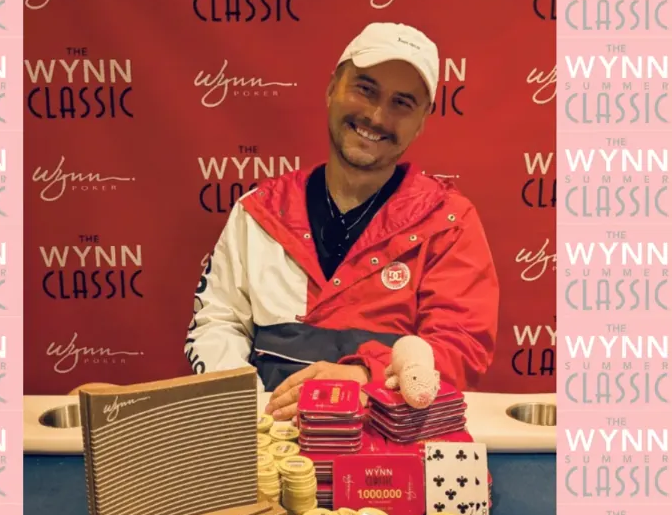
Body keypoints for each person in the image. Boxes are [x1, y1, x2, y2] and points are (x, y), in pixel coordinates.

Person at [184, 22, 499, 421]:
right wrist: (253, 415)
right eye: (365, 89)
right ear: (332, 87)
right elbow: (217, 323)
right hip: (269, 434)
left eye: (402, 103)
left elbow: (461, 348)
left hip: (387, 442)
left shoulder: (448, 222)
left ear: (421, 121)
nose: (377, 115)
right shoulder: (260, 212)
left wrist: (365, 377)